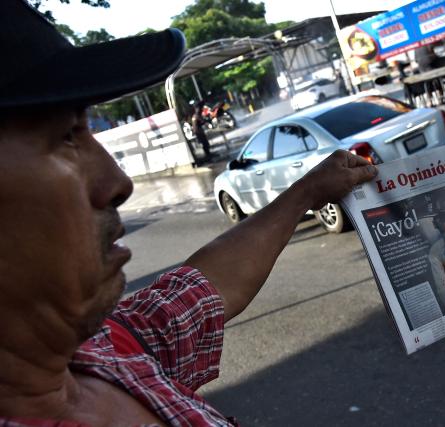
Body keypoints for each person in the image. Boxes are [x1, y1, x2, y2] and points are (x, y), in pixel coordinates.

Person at [0, 1, 378, 425]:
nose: (118, 182)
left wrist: (307, 191)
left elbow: (203, 290)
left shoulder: (106, 350)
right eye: (67, 136)